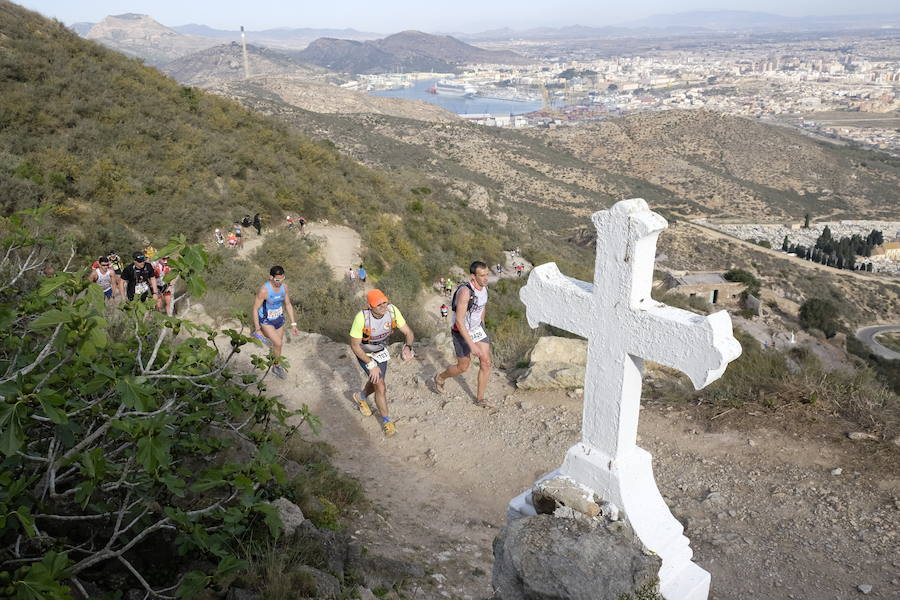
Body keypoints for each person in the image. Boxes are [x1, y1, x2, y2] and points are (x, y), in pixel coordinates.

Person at [349, 289, 414, 437]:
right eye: (379, 305)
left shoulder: (392, 311)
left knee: (377, 381)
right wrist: (371, 364)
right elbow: (354, 346)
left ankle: (361, 397)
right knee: (380, 385)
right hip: (364, 353)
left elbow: (408, 332)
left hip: (380, 351)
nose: (384, 306)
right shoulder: (361, 318)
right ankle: (387, 421)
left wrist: (408, 347)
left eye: (385, 302)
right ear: (370, 306)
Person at [434, 261, 494, 409]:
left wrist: (482, 325)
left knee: (486, 362)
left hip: (476, 328)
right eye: (482, 275)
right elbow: (459, 322)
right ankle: (440, 377)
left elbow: (482, 306)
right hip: (460, 331)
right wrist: (472, 345)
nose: (486, 278)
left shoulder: (484, 288)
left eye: (487, 274)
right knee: (463, 367)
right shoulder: (465, 293)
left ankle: (480, 399)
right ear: (473, 276)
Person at [252, 266, 300, 379]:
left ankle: (275, 362)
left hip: (279, 318)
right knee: (278, 343)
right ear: (271, 278)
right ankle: (277, 366)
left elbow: (288, 304)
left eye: (282, 279)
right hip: (266, 320)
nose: (280, 282)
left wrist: (293, 324)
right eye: (277, 280)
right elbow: (255, 308)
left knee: (278, 344)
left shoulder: (284, 287)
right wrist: (257, 329)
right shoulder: (264, 290)